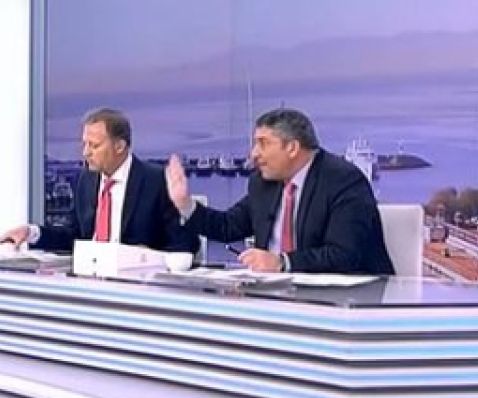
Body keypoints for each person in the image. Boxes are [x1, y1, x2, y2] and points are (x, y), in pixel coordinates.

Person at [165, 107, 394, 275]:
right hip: (280, 297)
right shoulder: (263, 183)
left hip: (352, 303)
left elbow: (345, 255)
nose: (254, 154)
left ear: (292, 148)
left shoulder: (343, 181)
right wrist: (185, 205)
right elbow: (228, 226)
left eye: (263, 143)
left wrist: (282, 262)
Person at [0, 108, 198, 254]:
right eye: (85, 144)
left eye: (94, 146)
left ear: (119, 146)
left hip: (138, 285)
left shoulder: (155, 181)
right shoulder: (86, 180)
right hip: (92, 282)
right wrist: (31, 232)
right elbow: (74, 237)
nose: (85, 153)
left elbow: (185, 245)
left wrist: (144, 257)